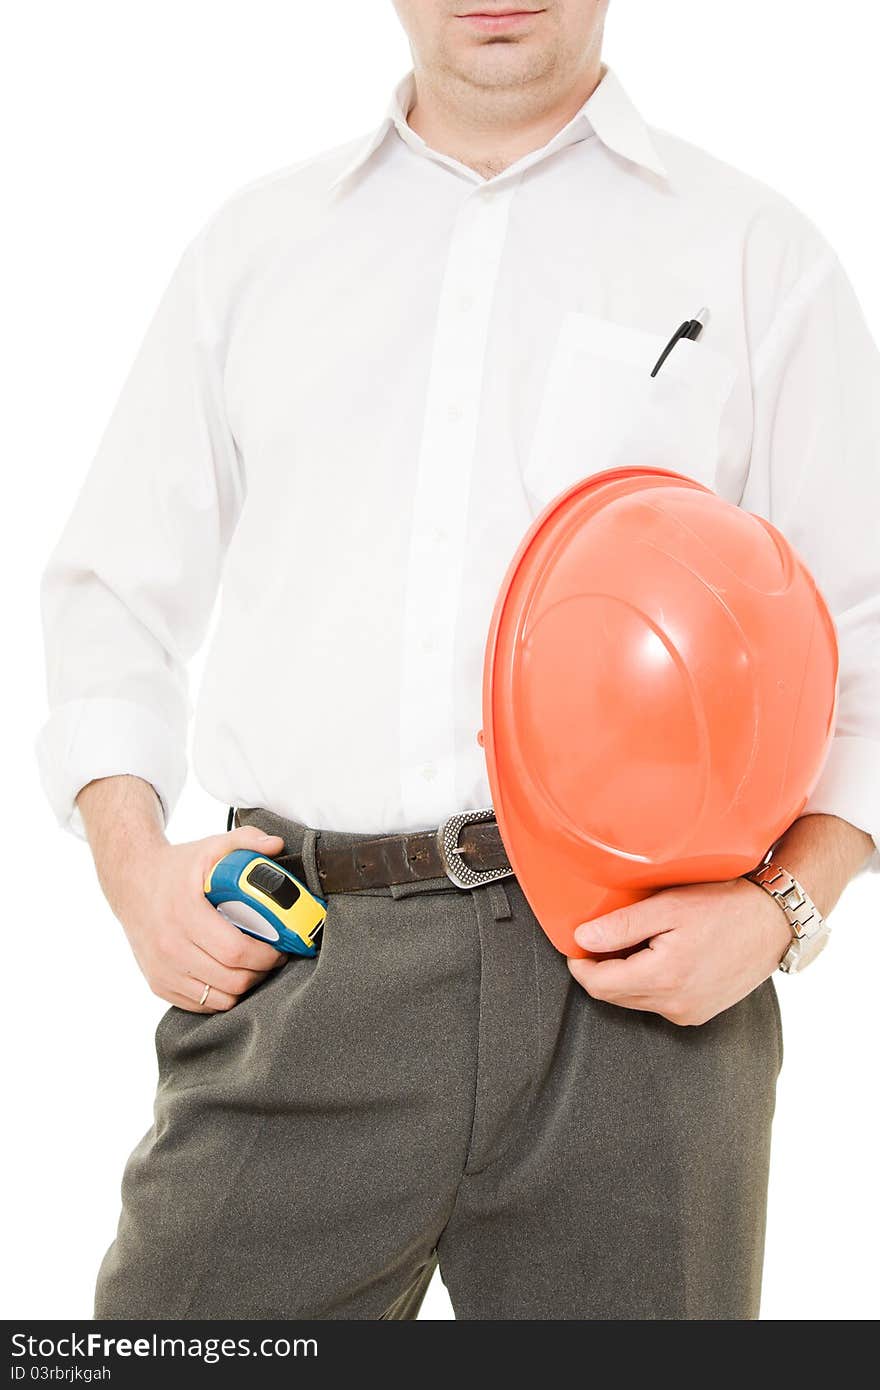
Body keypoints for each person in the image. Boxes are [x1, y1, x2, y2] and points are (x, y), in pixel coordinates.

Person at [36, 0, 880, 1320]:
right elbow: (109, 597)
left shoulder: (755, 252)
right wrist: (135, 867)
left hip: (641, 1000)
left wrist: (782, 910)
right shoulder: (255, 249)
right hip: (306, 960)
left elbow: (867, 635)